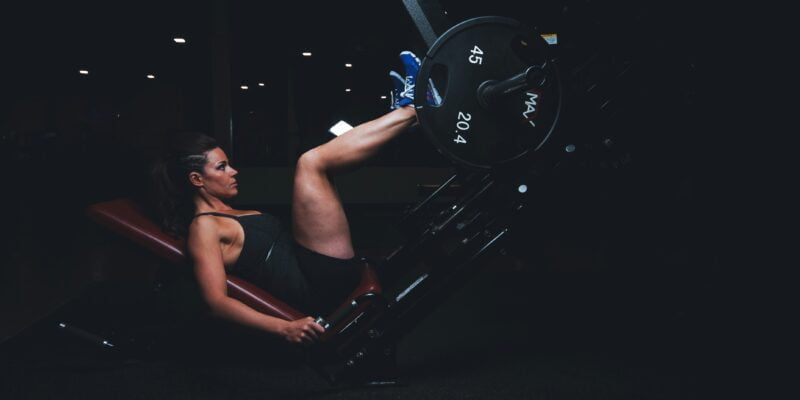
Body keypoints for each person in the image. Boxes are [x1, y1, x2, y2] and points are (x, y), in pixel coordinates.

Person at [151, 51, 440, 345]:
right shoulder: (203, 228)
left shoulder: (227, 213)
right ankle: (412, 109)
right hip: (315, 285)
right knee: (310, 163)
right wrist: (283, 328)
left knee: (321, 166)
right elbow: (215, 302)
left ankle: (406, 117)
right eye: (222, 167)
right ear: (197, 180)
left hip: (314, 267)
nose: (234, 171)